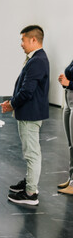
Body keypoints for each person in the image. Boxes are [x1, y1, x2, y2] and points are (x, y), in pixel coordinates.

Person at [0, 25, 49, 205]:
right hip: (29, 113)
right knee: (30, 152)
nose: (21, 44)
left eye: (23, 40)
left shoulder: (37, 60)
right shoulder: (36, 58)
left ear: (33, 40)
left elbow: (27, 91)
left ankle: (30, 194)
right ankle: (29, 183)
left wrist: (12, 104)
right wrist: (12, 103)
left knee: (32, 154)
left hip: (30, 115)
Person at [57, 60, 73, 195]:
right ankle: (71, 178)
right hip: (68, 101)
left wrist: (70, 83)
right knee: (71, 145)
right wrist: (64, 81)